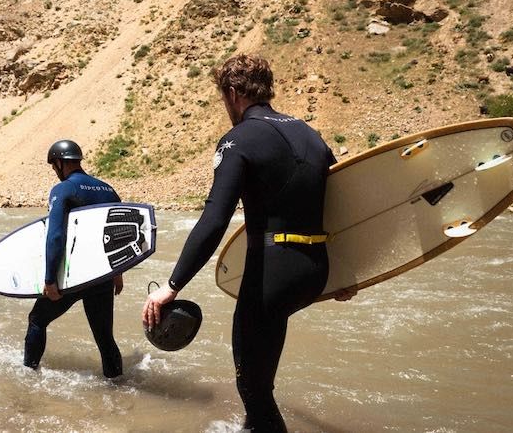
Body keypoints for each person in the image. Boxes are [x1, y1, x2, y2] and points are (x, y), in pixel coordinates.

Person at [142, 54, 353, 431]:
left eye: (224, 97)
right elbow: (340, 200)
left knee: (253, 389)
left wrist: (171, 287)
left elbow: (215, 217)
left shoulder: (238, 139)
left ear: (234, 92)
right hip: (314, 271)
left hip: (270, 274)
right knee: (260, 377)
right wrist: (347, 271)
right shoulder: (309, 133)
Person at [24, 139, 124, 378]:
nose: (54, 171)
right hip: (102, 275)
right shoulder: (108, 189)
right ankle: (118, 386)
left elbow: (56, 236)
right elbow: (119, 233)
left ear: (59, 163)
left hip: (74, 275)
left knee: (37, 320)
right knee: (104, 337)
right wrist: (118, 273)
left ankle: (28, 377)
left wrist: (50, 279)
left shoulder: (64, 189)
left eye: (54, 166)